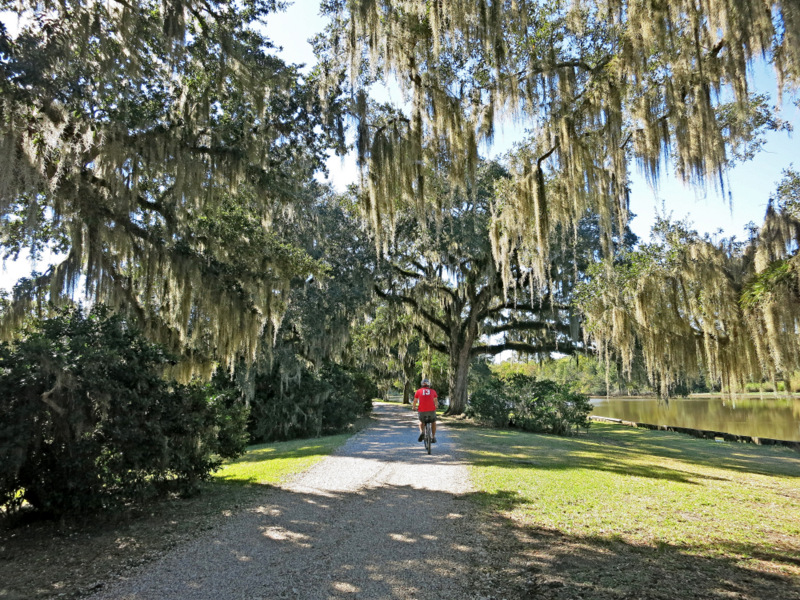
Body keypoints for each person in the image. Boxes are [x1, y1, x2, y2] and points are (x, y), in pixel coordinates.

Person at [412, 378, 439, 443]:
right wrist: (436, 406)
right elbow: (435, 400)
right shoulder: (433, 391)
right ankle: (433, 437)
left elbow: (415, 401)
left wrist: (414, 407)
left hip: (422, 411)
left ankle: (422, 432)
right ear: (429, 384)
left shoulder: (418, 391)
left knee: (421, 422)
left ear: (422, 384)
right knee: (433, 422)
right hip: (431, 410)